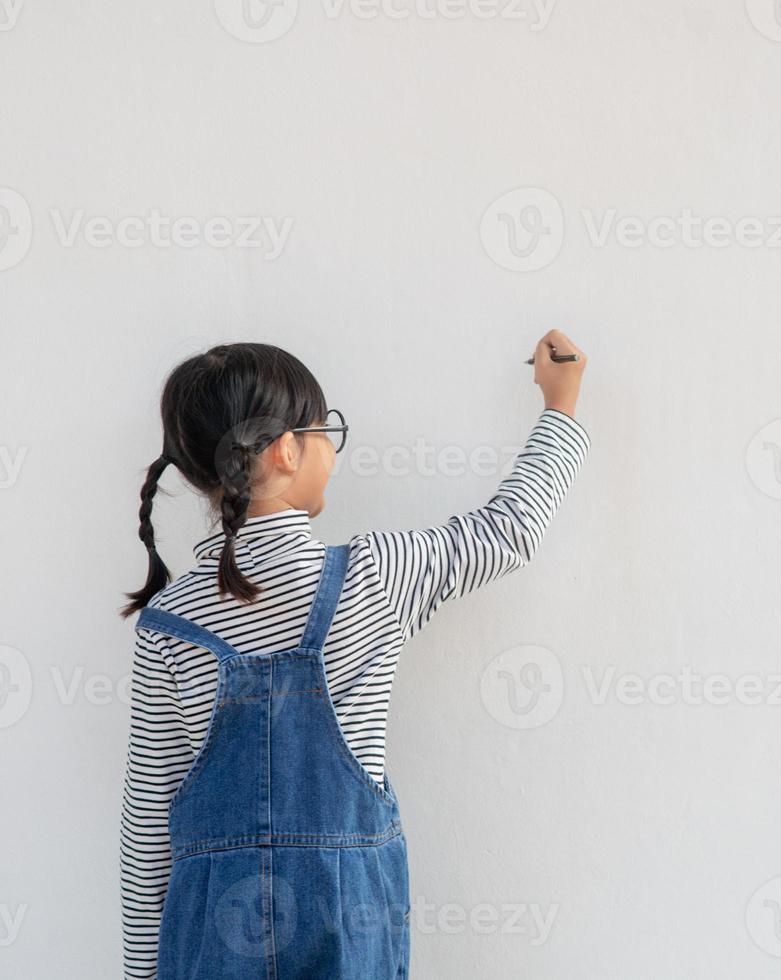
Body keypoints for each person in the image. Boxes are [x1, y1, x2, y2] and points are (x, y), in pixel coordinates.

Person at [117, 333, 589, 979]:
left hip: (209, 933)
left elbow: (148, 826)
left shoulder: (169, 623)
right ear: (286, 449)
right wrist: (560, 408)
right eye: (325, 431)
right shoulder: (374, 575)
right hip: (345, 920)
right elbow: (509, 530)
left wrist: (141, 973)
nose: (332, 451)